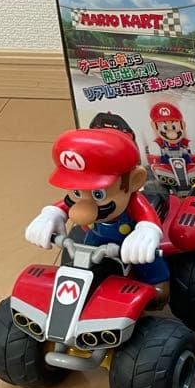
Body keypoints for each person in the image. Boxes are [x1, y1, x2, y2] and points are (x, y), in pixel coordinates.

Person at [25, 128, 169, 303]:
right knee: (84, 263)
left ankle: (157, 281)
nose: (83, 207)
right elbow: (66, 205)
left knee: (146, 258)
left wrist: (146, 231)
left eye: (98, 194)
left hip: (129, 242)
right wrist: (52, 214)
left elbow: (147, 218)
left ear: (134, 181)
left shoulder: (133, 201)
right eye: (76, 192)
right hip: (96, 238)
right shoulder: (80, 204)